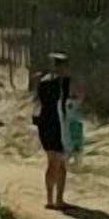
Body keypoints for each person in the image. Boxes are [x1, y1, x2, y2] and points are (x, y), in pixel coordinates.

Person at [34, 53, 72, 210]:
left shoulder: (43, 81)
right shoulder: (63, 82)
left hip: (44, 122)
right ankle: (58, 199)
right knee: (59, 163)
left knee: (52, 162)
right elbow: (69, 103)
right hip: (58, 124)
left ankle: (51, 199)